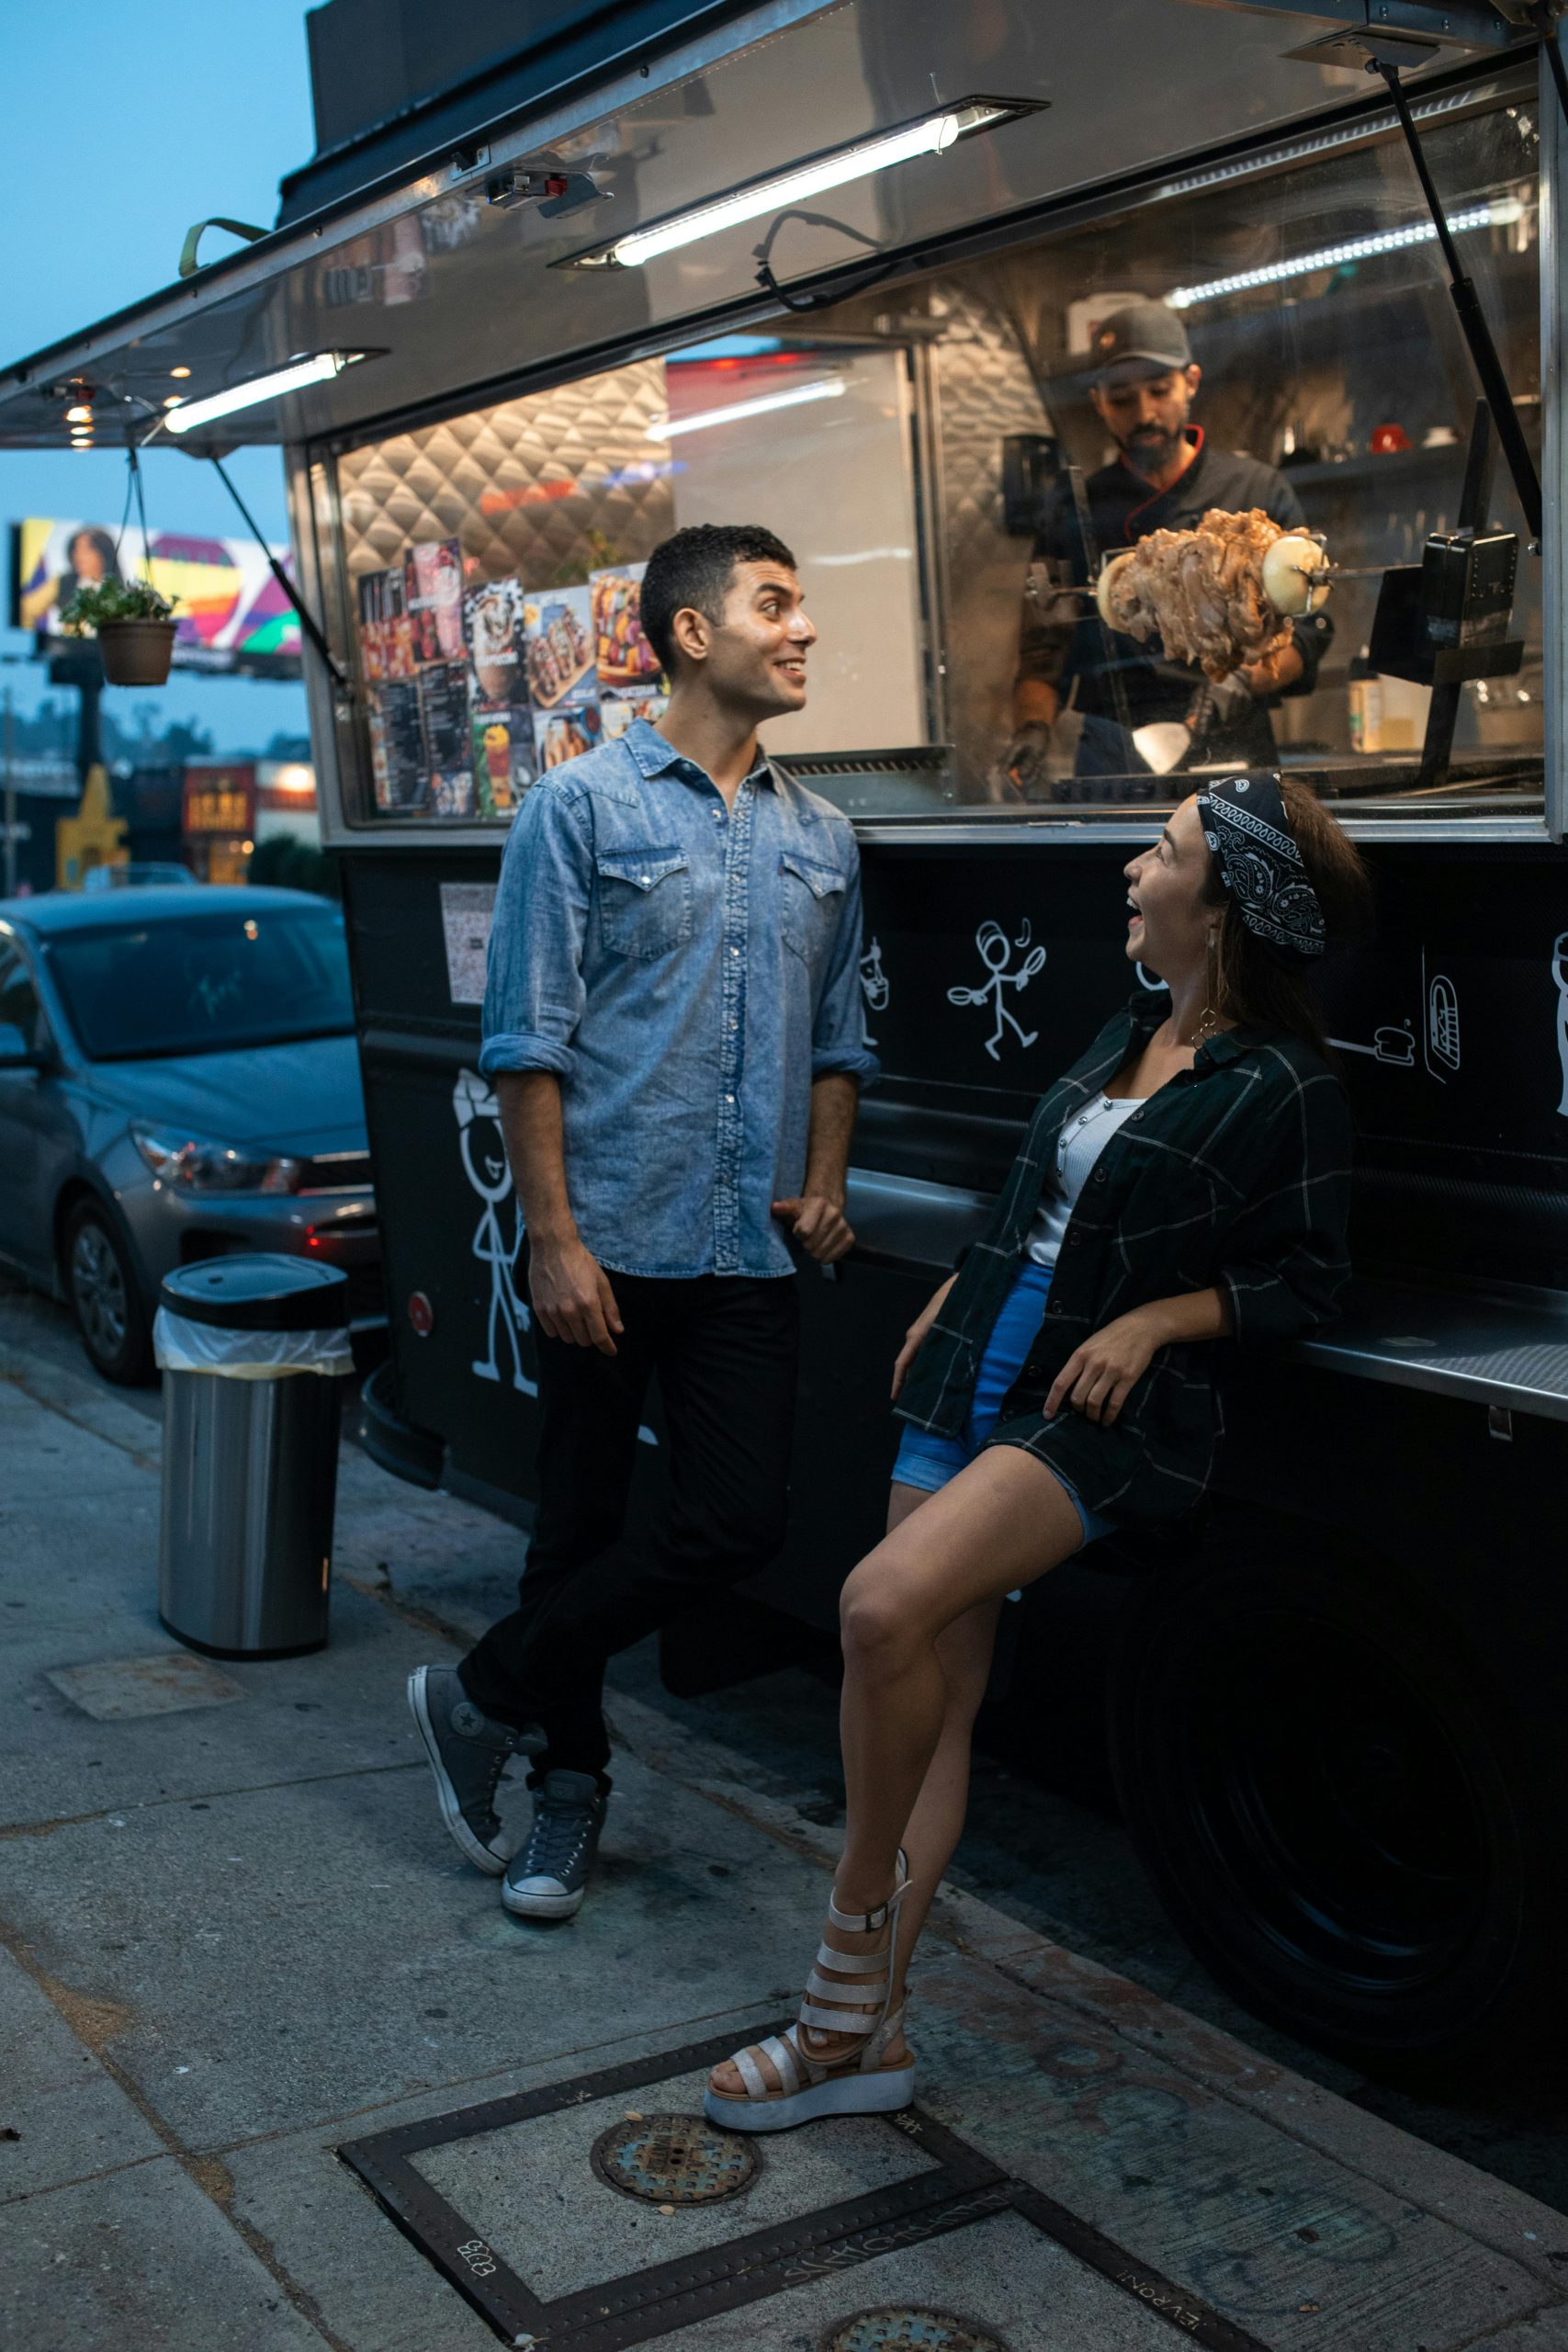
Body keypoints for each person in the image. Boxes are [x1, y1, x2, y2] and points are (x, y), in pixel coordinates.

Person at [705, 772, 1370, 2128]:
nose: (1133, 866)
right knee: (929, 1702)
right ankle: (870, 2034)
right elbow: (1041, 1192)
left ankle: (836, 1989)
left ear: (1224, 902)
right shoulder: (1133, 1023)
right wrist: (957, 1291)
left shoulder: (1284, 1085)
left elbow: (1310, 1281)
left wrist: (1160, 1319)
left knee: (875, 1604)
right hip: (972, 1364)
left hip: (1081, 1408)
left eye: (1164, 848)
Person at [409, 523, 878, 1921]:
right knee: (577, 1524)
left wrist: (829, 1179)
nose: (801, 632)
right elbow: (525, 1043)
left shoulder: (823, 834)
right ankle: (566, 1795)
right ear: (691, 634)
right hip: (603, 1238)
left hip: (747, 1246)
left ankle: (480, 1690)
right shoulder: (580, 808)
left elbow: (840, 1041)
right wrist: (551, 1238)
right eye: (774, 606)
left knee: (736, 1521)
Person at [1008, 300, 1332, 788]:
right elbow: (1042, 650)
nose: (1145, 413)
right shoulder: (1073, 508)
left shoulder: (1255, 493)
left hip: (1231, 739)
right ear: (1097, 401)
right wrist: (1032, 730)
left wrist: (1242, 680)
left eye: (1160, 391)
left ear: (1191, 383)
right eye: (1122, 399)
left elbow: (1310, 626)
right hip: (1112, 752)